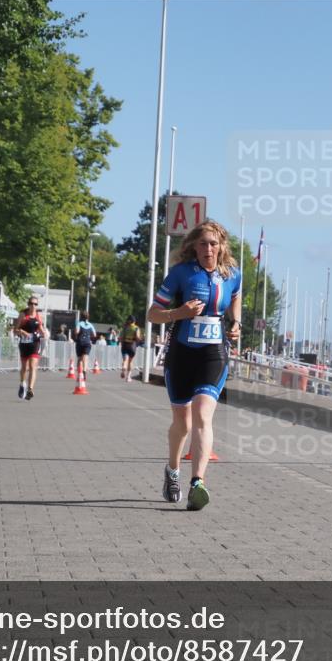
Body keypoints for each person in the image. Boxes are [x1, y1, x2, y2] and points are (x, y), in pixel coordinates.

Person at [146, 219, 241, 511]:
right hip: (182, 353)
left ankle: (197, 483)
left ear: (221, 246)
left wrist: (236, 322)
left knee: (203, 415)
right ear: (194, 247)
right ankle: (173, 470)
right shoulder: (181, 274)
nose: (208, 249)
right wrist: (179, 312)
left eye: (214, 244)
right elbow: (153, 314)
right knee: (182, 423)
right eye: (203, 243)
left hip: (213, 354)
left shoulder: (232, 275)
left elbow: (235, 297)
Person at [14, 296, 46, 400]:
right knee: (25, 367)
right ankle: (22, 384)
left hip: (35, 343)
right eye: (31, 303)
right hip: (24, 343)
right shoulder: (23, 315)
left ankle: (30, 389)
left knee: (33, 366)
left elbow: (40, 328)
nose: (33, 306)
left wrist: (43, 333)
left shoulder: (38, 316)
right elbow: (15, 330)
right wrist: (23, 332)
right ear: (28, 304)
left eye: (35, 304)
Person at [73, 310, 98, 379]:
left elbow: (77, 332)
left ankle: (79, 373)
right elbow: (94, 334)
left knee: (80, 359)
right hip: (87, 342)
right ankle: (84, 371)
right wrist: (89, 336)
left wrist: (76, 332)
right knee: (86, 358)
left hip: (80, 342)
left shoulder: (79, 323)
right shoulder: (90, 325)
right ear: (88, 317)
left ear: (81, 317)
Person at [120, 316, 142, 382]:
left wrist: (122, 344)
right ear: (134, 321)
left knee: (125, 360)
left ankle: (124, 367)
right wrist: (140, 340)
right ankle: (128, 377)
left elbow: (121, 338)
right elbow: (137, 337)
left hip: (125, 345)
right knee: (130, 361)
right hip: (132, 345)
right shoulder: (136, 328)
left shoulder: (124, 327)